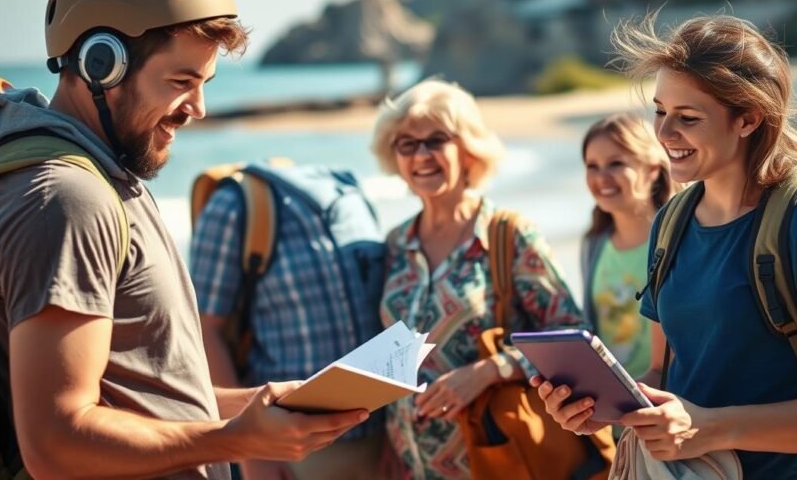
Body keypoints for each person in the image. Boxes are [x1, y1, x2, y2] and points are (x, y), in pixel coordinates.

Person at [0, 0, 365, 480]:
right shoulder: (66, 202)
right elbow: (55, 442)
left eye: (204, 84)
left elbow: (140, 396)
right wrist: (232, 440)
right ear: (101, 64)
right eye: (181, 82)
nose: (197, 109)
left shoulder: (103, 178)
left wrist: (253, 407)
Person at [535, 16, 797, 479]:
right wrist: (612, 408)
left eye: (688, 118)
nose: (665, 134)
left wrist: (714, 428)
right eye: (659, 111)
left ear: (748, 119)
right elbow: (664, 373)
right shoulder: (670, 223)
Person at [370, 79, 586, 479]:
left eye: (437, 140)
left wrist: (488, 371)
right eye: (407, 144)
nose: (422, 155)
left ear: (468, 150)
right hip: (410, 463)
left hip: (497, 460)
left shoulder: (508, 235)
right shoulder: (397, 242)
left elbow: (572, 338)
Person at [190, 163, 390, 480]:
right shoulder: (233, 205)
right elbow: (204, 327)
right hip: (291, 450)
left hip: (379, 439)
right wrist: (251, 452)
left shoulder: (352, 194)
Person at [580, 113, 677, 383]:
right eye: (592, 166)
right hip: (612, 406)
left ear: (653, 169)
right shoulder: (593, 244)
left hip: (669, 404)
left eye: (616, 164)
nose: (602, 178)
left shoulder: (678, 239)